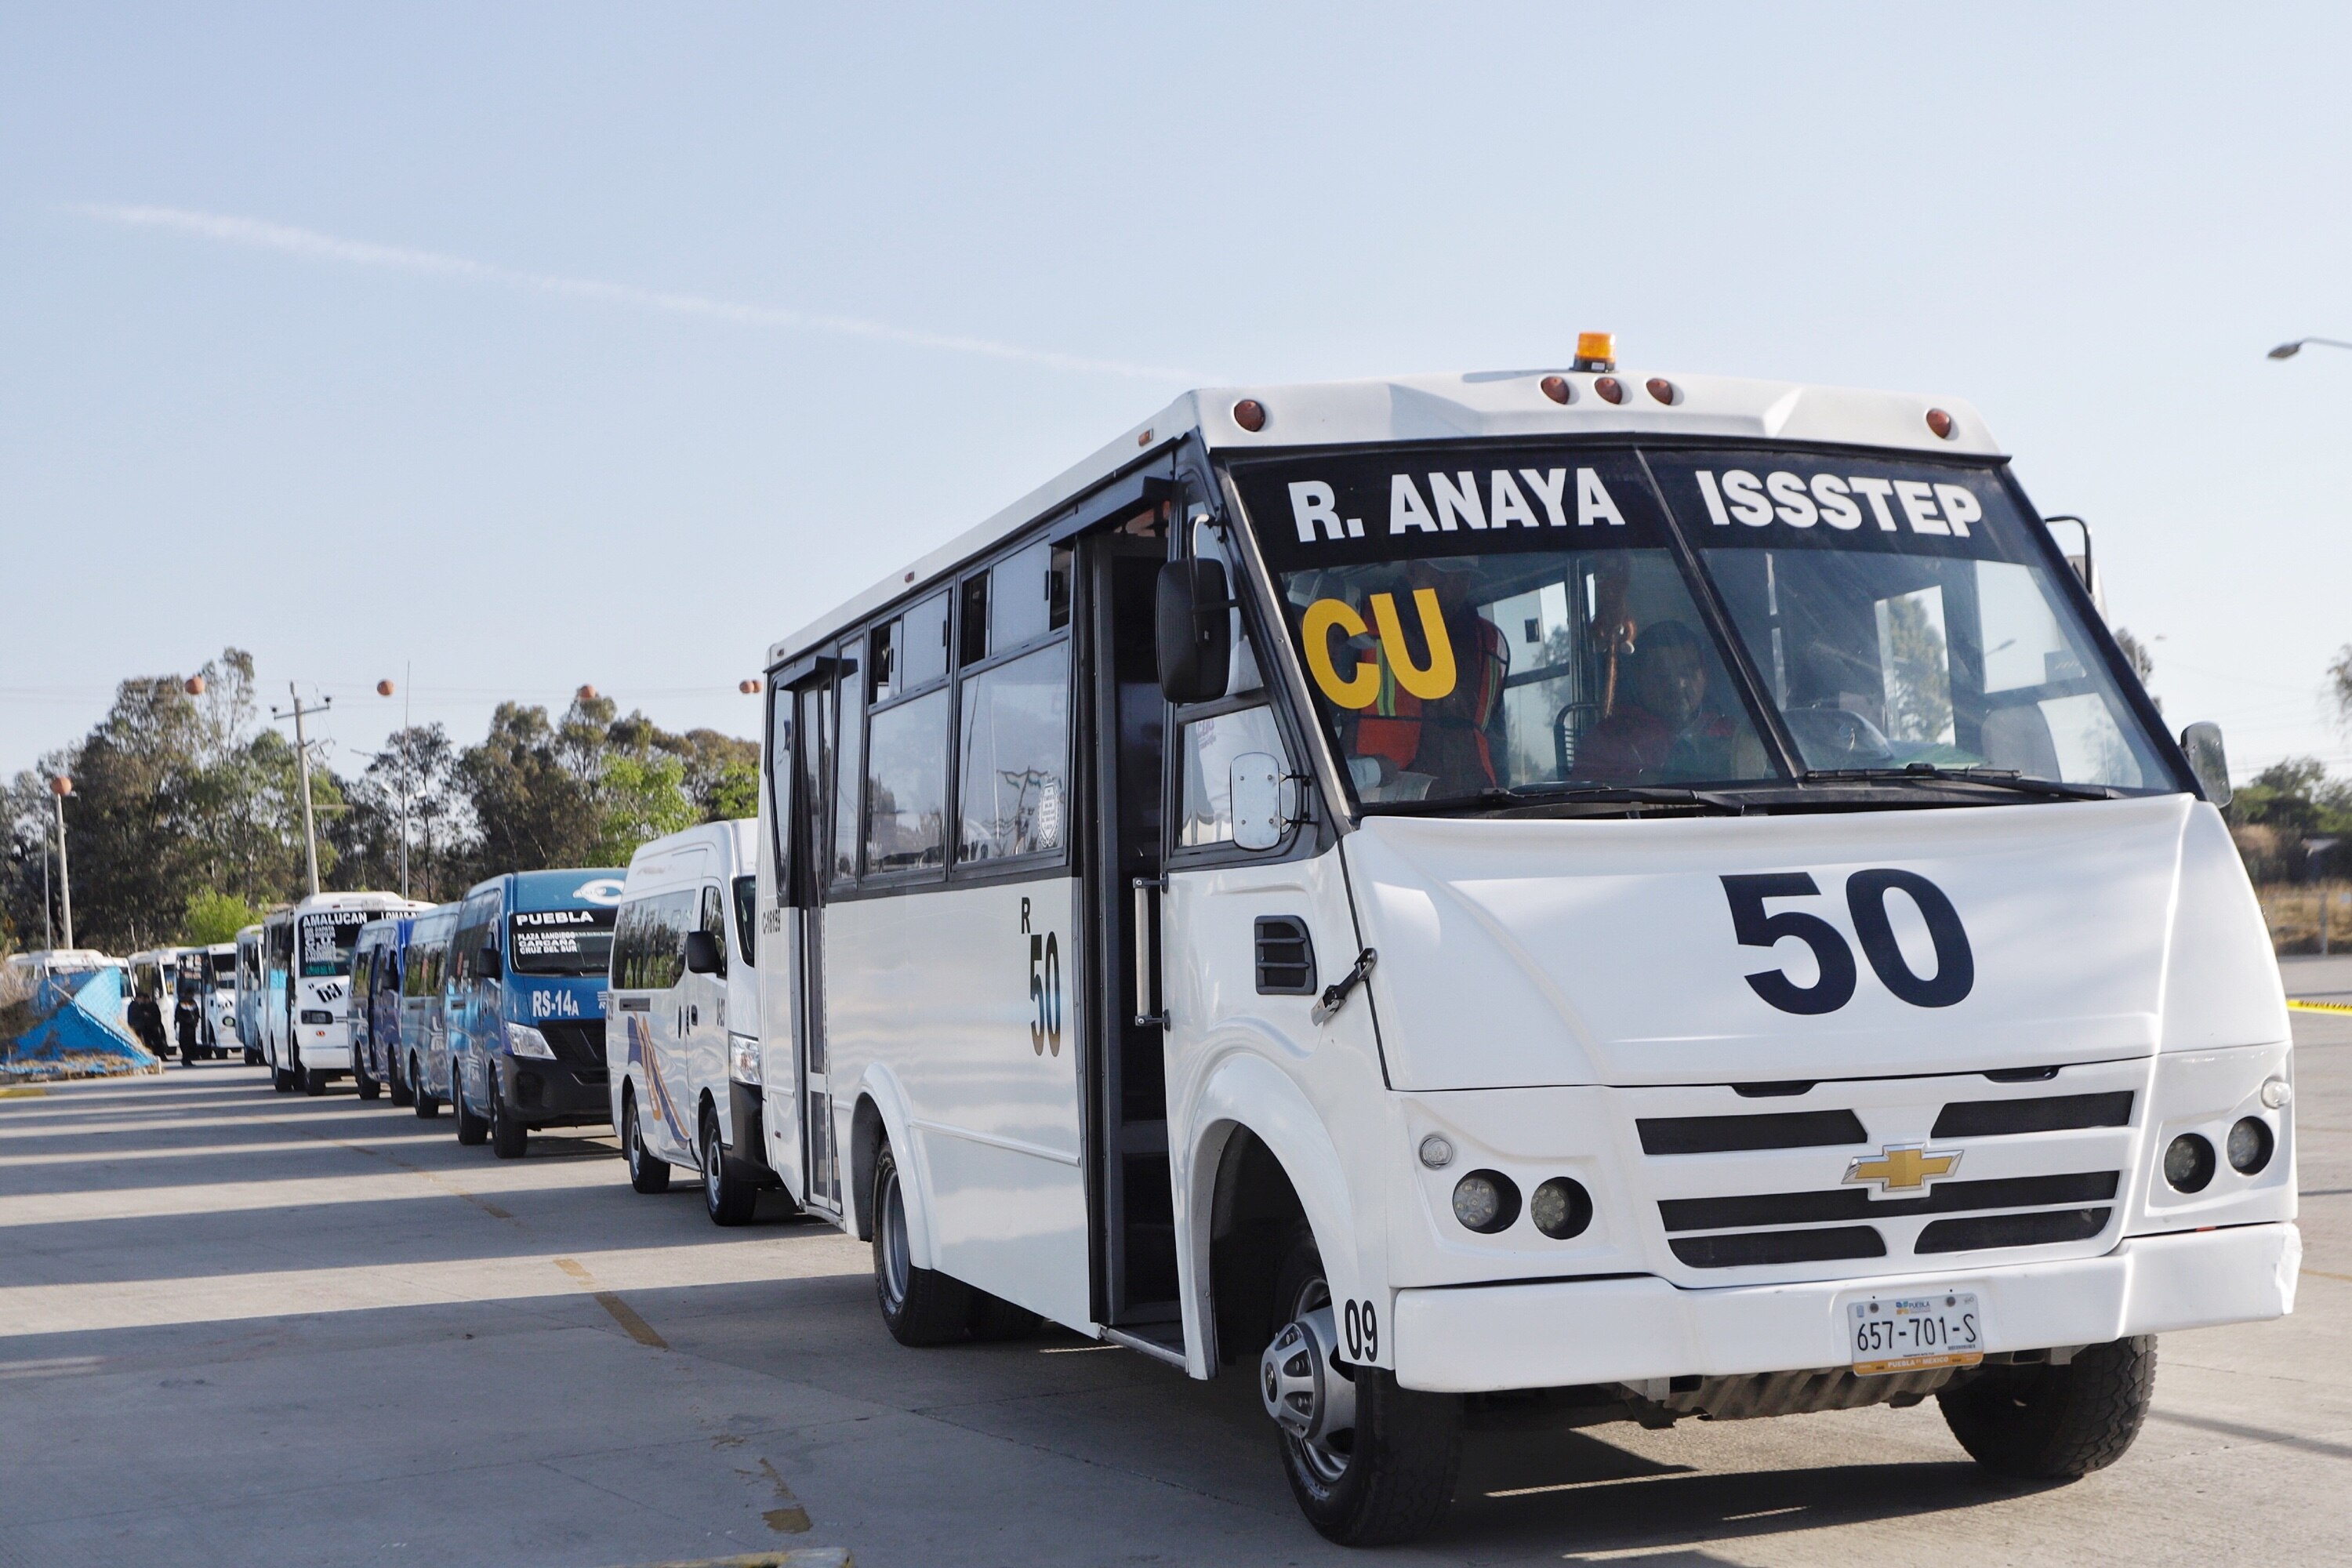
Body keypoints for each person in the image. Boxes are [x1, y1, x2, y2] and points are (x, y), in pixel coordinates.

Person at [1348, 560, 1509, 797]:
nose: (1452, 587)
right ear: (1412, 571)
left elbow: (1497, 743)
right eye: (1443, 575)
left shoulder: (1490, 641)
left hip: (1474, 804)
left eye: (1462, 578)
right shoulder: (1362, 627)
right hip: (1382, 807)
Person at [1574, 620, 1734, 782]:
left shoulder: (1732, 736)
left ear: (1705, 675)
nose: (1678, 684)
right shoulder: (1606, 742)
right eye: (1662, 674)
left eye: (1688, 671)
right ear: (1638, 678)